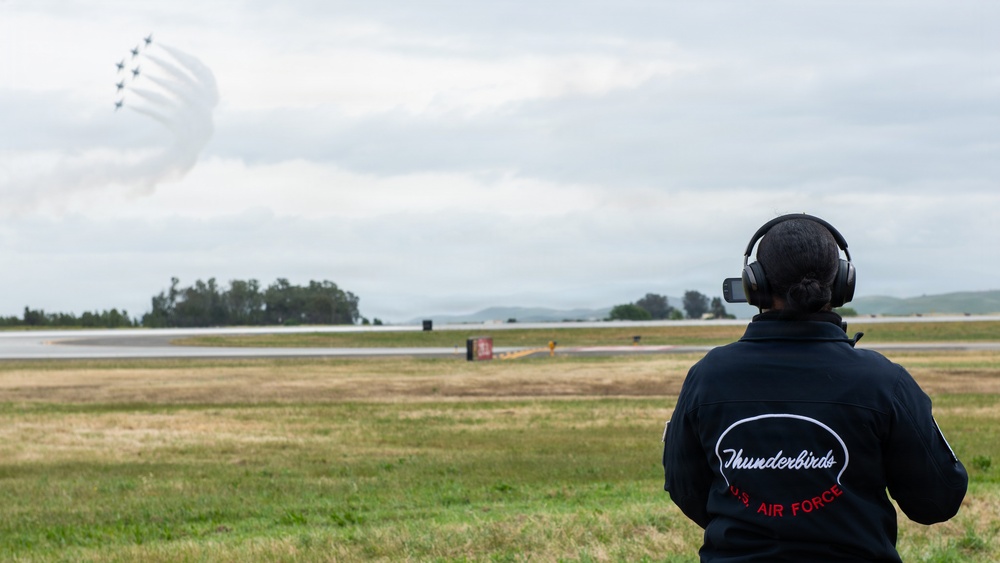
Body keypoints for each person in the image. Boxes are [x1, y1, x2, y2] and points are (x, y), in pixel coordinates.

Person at [662, 214, 968, 562]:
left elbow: (686, 489)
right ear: (841, 284)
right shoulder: (884, 381)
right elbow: (937, 501)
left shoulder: (707, 376)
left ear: (754, 285)